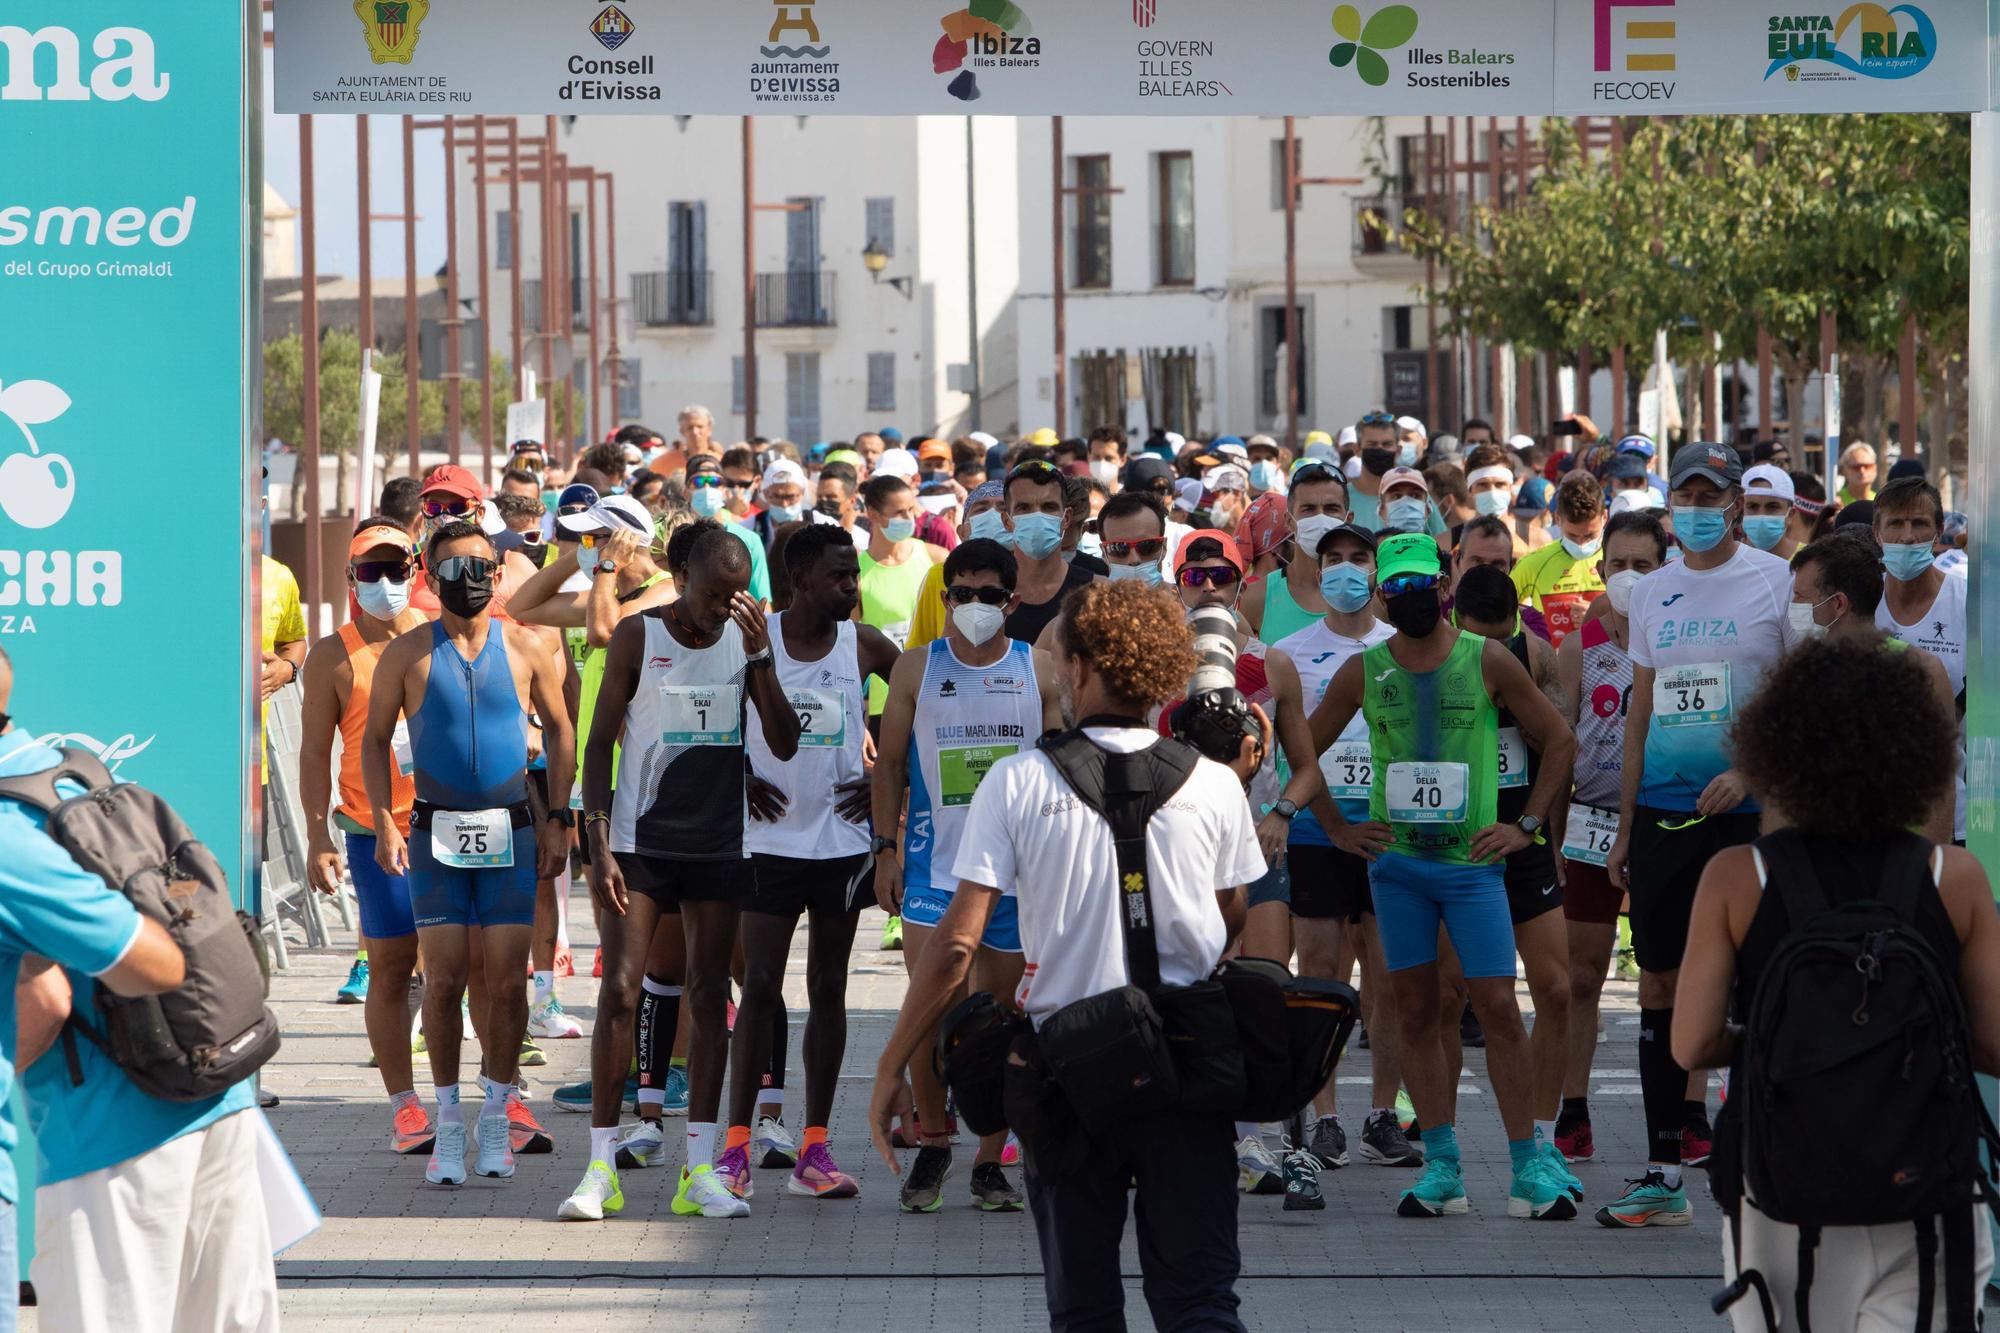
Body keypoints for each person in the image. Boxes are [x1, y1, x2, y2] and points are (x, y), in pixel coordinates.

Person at [867, 579, 1262, 1332]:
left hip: (1070, 1066)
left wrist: (894, 1066)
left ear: (1075, 668)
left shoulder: (1018, 781)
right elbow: (1230, 909)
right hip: (1191, 1061)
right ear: (1163, 674)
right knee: (1201, 1300)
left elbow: (956, 945)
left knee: (1083, 1308)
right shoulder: (1214, 783)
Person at [1673, 640, 2000, 1331]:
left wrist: (1786, 1040)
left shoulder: (1737, 875)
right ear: (1914, 752)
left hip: (1782, 1189)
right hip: (1926, 1188)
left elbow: (1692, 1042)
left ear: (1777, 749)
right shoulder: (1955, 877)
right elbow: (1995, 1043)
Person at [1307, 533, 1579, 1221]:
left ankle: (1527, 1169)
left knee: (1494, 1006)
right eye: (1396, 589)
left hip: (1472, 869)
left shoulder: (1484, 658)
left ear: (1444, 586)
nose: (1411, 598)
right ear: (1381, 595)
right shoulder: (1365, 671)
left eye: (1421, 585)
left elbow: (1560, 739)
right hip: (1398, 872)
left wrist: (1530, 826)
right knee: (1417, 1010)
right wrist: (1338, 829)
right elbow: (1300, 746)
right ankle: (1442, 1167)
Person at [0, 652, 268, 1329]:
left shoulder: (7, 838)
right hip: (215, 1097)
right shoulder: (67, 765)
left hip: (115, 1145)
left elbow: (131, 967)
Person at [563, 526, 799, 1221]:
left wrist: (760, 659)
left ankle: (700, 1169)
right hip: (639, 844)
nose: (723, 607)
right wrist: (596, 841)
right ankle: (599, 1166)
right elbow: (599, 742)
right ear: (678, 574)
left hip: (719, 844)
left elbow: (783, 742)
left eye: (735, 595)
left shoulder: (747, 638)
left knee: (707, 993)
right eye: (711, 593)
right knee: (619, 989)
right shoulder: (640, 636)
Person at [1601, 442, 1796, 1229]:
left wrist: (1751, 774)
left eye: (1710, 495)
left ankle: (1761, 1164)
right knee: (1658, 987)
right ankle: (1660, 1171)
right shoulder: (1652, 593)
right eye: (1685, 494)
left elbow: (1794, 704)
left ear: (1737, 505)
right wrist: (1622, 826)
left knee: (1757, 992)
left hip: (1750, 819)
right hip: (1660, 818)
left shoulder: (1778, 582)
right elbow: (1641, 710)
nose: (1697, 508)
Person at [363, 523, 575, 1187]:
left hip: (510, 828)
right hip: (436, 833)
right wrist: (384, 823)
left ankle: (495, 1110)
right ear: (430, 571)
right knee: (447, 978)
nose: (473, 579)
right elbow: (373, 741)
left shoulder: (527, 646)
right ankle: (447, 1121)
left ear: (498, 573)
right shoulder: (407, 653)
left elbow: (563, 730)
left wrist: (560, 816)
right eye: (457, 567)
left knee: (509, 980)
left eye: (484, 566)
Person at [873, 538, 1061, 1212]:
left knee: (999, 1022)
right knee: (931, 1014)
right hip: (934, 870)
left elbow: (1064, 760)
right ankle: (931, 1142)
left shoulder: (1036, 666)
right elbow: (890, 765)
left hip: (1019, 877)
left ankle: (988, 1158)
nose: (976, 606)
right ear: (945, 597)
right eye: (964, 594)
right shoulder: (916, 668)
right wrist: (884, 850)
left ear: (1012, 600)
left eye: (990, 595)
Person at [731, 526, 901, 1199]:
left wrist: (891, 773)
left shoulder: (863, 644)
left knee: (829, 987)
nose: (853, 588)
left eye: (855, 575)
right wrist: (735, 773)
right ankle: (736, 1148)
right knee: (762, 990)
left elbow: (918, 702)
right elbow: (702, 719)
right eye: (840, 577)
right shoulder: (752, 640)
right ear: (799, 579)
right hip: (767, 842)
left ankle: (816, 1148)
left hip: (840, 844)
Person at [1266, 522, 1417, 1174]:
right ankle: (1322, 1115)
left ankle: (1383, 1114)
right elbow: (1295, 753)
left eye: (1361, 559)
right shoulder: (1289, 650)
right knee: (1321, 973)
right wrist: (1329, 823)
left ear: (1378, 571)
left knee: (1388, 977)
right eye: (1336, 559)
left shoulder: (1404, 645)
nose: (1348, 569)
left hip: (1391, 833)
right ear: (1316, 568)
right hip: (1316, 832)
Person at [299, 521, 436, 1155]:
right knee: (390, 967)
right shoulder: (334, 653)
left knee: (470, 969)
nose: (385, 583)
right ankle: (405, 1106)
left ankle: (497, 1097)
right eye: (370, 572)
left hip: (449, 824)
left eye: (395, 569)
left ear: (416, 570)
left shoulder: (442, 636)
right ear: (352, 580)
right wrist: (315, 834)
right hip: (370, 828)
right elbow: (312, 751)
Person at [1445, 564, 1582, 1199]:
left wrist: (1537, 829)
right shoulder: (1437, 656)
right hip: (1456, 844)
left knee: (1556, 990)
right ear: (1456, 621)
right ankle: (1442, 1152)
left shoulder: (1538, 654)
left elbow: (1560, 742)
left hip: (1521, 838)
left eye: (1502, 636)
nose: (1491, 649)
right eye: (1481, 638)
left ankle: (1544, 1137)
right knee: (1450, 1000)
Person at [1550, 510, 1668, 1164]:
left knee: (1669, 972)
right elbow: (1565, 742)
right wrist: (1556, 833)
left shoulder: (1677, 638)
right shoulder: (1581, 643)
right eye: (1617, 564)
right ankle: (1574, 1107)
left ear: (1664, 566)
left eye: (1642, 565)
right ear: (1600, 569)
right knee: (1583, 976)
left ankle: (1690, 1111)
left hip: (1663, 815)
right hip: (1591, 822)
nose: (1628, 576)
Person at [1789, 530, 1956, 843]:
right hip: (1819, 862)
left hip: (1898, 863)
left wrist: (1929, 870)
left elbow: (1939, 786)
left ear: (1837, 604)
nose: (1793, 605)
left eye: (1800, 596)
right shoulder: (1799, 673)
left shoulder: (1921, 672)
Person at [1874, 476, 1967, 846]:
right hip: (1867, 819)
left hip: (1948, 817)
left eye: (1919, 524)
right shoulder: (1859, 600)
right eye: (1895, 523)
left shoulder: (1968, 601)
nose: (1908, 537)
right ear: (1877, 533)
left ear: (1938, 531)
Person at [857, 474, 947, 716]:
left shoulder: (936, 558)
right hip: (884, 704)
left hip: (937, 692)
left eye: (911, 509)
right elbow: (853, 645)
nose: (909, 518)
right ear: (873, 514)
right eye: (898, 513)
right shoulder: (857, 572)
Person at [1245, 461, 1350, 644]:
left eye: (1331, 509)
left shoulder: (1368, 595)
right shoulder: (1256, 598)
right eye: (1308, 509)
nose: (1320, 517)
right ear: (1289, 521)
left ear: (1348, 519)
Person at [1001, 459, 1099, 644]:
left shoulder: (1096, 592)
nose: (1037, 516)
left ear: (1066, 518)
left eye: (1049, 507)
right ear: (1007, 521)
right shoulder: (986, 593)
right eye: (1024, 508)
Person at [1509, 473, 1607, 646]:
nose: (1581, 544)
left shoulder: (1619, 560)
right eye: (1573, 536)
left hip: (1610, 666)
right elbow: (1501, 612)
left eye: (1589, 536)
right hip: (1554, 666)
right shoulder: (1535, 563)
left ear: (1604, 517)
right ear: (1557, 519)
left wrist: (1599, 617)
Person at [1349, 412, 1448, 538]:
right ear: (1357, 449)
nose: (1380, 449)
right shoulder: (1342, 498)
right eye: (1372, 444)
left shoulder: (1417, 496)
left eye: (1387, 444)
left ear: (1398, 449)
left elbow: (1442, 543)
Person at [1738, 463, 1799, 558]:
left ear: (1790, 515)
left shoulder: (1810, 562)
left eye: (1772, 507)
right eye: (1752, 506)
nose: (1761, 515)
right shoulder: (1725, 560)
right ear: (1739, 510)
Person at [1837, 441, 1878, 506]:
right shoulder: (1836, 501)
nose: (1862, 471)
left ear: (1875, 469)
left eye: (1867, 466)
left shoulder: (1880, 501)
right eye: (1856, 467)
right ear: (1845, 470)